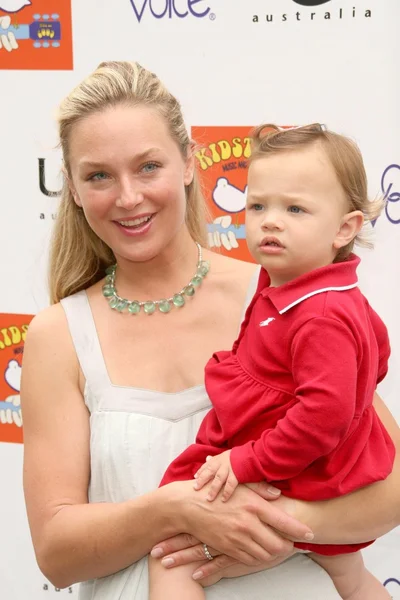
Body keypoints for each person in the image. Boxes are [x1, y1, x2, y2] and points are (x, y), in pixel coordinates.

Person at [20, 61, 400, 600]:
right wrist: (175, 509)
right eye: (98, 175)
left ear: (187, 164)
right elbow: (56, 553)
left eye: (147, 166)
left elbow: (388, 485)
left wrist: (270, 523)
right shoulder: (59, 335)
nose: (127, 197)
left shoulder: (282, 296)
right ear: (75, 191)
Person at [154, 123, 395, 600]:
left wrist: (247, 461)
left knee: (169, 556)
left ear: (345, 228)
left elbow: (324, 414)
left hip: (295, 471)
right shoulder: (309, 289)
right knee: (349, 576)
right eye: (257, 205)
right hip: (318, 470)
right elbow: (378, 354)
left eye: (295, 209)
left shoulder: (320, 313)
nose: (269, 221)